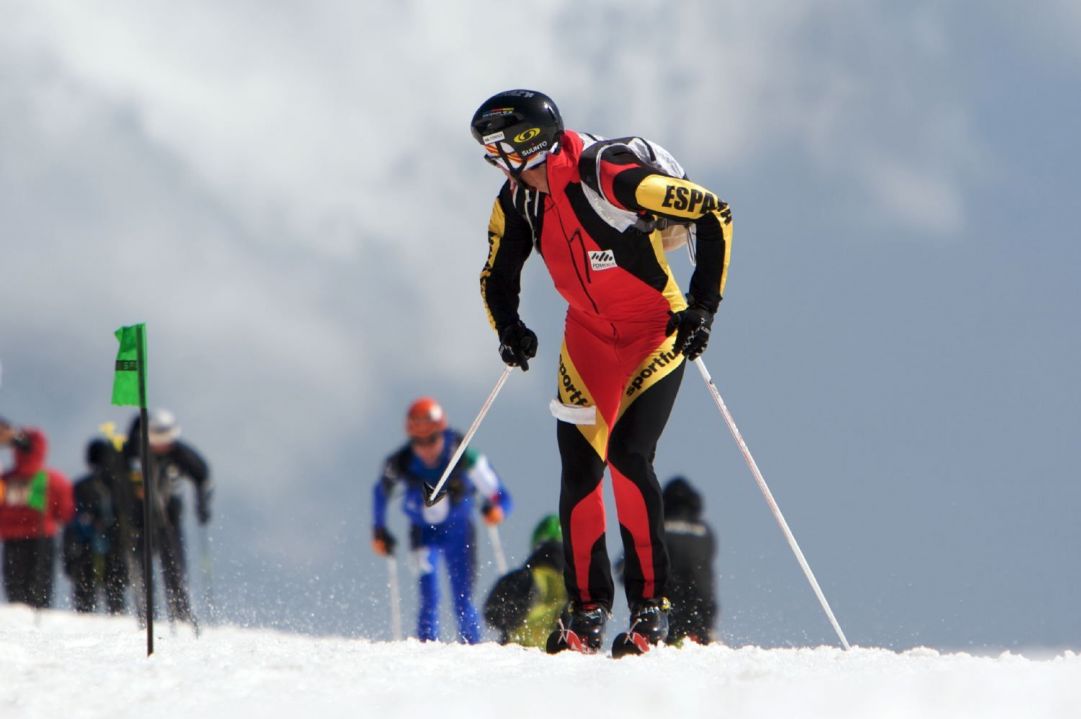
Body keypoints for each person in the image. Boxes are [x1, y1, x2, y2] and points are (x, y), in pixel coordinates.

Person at [470, 89, 733, 654]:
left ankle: (650, 607)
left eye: (497, 150)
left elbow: (715, 213)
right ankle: (587, 610)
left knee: (628, 457)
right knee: (579, 475)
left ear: (523, 145)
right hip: (587, 338)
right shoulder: (517, 201)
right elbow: (497, 274)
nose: (494, 162)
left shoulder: (606, 172)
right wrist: (509, 329)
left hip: (652, 331)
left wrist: (703, 308)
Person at [372, 397, 513, 643]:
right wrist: (379, 529)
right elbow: (381, 492)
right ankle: (426, 647)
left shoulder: (462, 454)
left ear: (442, 433)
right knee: (429, 596)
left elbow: (500, 493)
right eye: (418, 441)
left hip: (460, 535)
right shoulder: (402, 462)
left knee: (462, 598)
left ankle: (472, 648)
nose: (426, 448)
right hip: (424, 535)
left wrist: (497, 509)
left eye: (432, 439)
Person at [124, 409, 212, 624]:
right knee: (141, 565)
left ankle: (181, 612)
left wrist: (202, 505)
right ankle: (146, 614)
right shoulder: (136, 452)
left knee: (174, 564)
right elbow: (118, 467)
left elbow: (202, 475)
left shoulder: (180, 453)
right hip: (140, 519)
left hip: (170, 518)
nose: (163, 444)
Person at [0, 417, 74, 608]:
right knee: (40, 593)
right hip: (41, 538)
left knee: (16, 594)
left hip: (13, 540)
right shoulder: (54, 480)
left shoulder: (5, 480)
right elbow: (65, 512)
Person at [62, 436, 132, 614]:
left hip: (88, 549)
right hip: (109, 548)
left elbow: (70, 522)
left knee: (86, 603)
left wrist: (69, 556)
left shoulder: (81, 486)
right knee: (115, 602)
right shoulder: (121, 487)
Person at [483, 514, 569, 648]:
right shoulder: (572, 585)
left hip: (517, 655)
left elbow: (491, 614)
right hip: (558, 655)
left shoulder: (522, 578)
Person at [660, 477, 718, 643]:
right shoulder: (706, 531)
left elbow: (628, 567)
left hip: (668, 611)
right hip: (704, 611)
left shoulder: (659, 528)